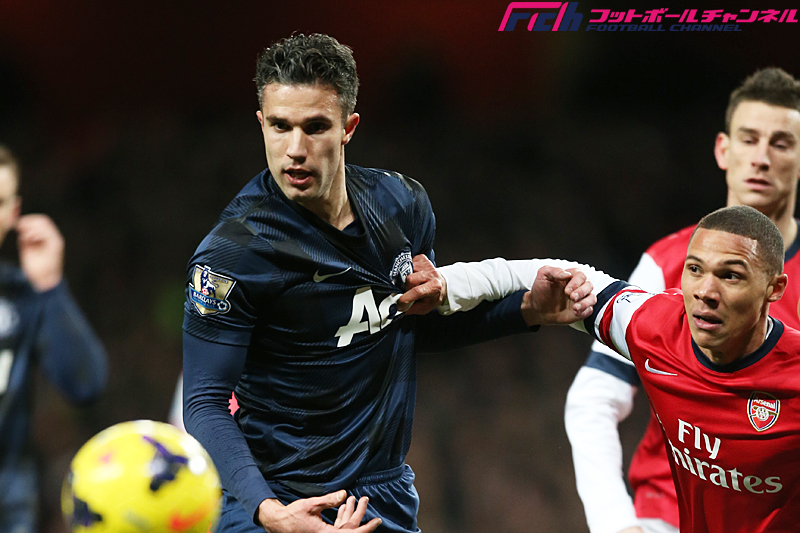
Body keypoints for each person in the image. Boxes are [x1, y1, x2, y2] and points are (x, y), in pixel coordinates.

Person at [181, 33, 596, 533]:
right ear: (261, 123)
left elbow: (412, 327)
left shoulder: (401, 204)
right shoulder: (233, 252)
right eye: (279, 126)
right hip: (278, 499)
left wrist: (528, 309)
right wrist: (271, 513)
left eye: (315, 127)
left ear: (348, 127)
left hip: (383, 498)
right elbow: (203, 402)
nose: (295, 150)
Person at [563, 67, 800, 533]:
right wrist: (614, 522)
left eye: (780, 144)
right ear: (723, 150)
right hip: (667, 516)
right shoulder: (665, 263)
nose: (761, 159)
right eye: (749, 139)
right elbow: (594, 398)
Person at [0, 145, 108, 533]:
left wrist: (49, 287)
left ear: (14, 212)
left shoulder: (22, 297)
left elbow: (85, 385)